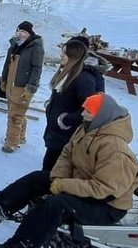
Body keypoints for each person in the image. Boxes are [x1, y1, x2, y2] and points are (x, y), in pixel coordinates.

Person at [0, 93, 138, 248]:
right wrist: (58, 178)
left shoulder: (115, 150)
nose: (83, 114)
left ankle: (21, 244)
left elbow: (104, 190)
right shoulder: (89, 128)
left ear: (101, 116)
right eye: (84, 110)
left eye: (88, 112)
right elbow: (67, 152)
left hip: (107, 206)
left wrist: (64, 186)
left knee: (56, 205)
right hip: (85, 186)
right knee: (38, 179)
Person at [42, 39, 105, 173]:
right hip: (56, 133)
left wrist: (67, 119)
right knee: (49, 168)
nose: (61, 56)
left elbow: (90, 107)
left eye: (64, 53)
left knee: (53, 170)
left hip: (67, 136)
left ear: (73, 56)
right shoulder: (66, 73)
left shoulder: (83, 79)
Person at [0, 21, 44, 153]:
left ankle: (11, 142)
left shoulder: (35, 47)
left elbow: (37, 69)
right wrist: (4, 79)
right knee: (15, 113)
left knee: (15, 116)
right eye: (18, 31)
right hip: (11, 85)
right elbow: (7, 64)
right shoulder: (14, 46)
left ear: (29, 33)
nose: (20, 34)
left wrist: (31, 88)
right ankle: (21, 137)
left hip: (23, 87)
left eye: (23, 32)